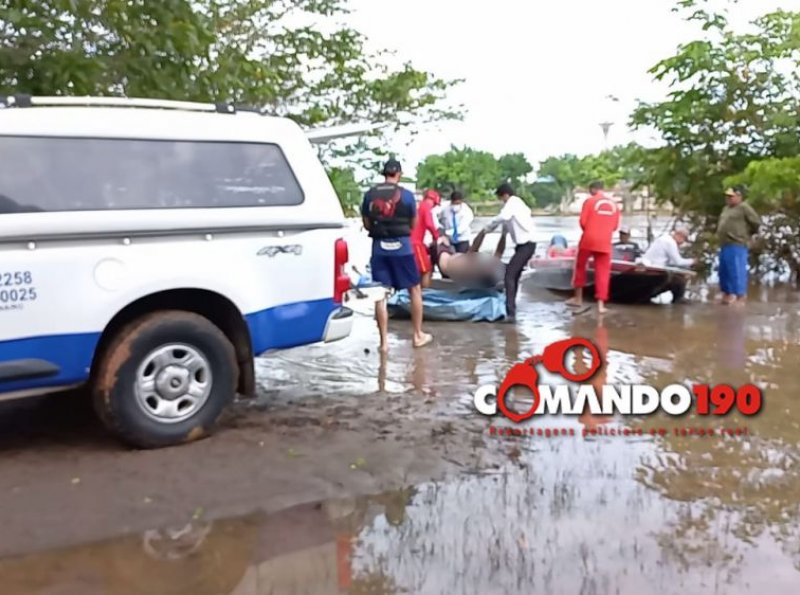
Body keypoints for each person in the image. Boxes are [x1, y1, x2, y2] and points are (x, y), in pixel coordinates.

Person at [361, 159, 432, 352]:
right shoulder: (408, 196)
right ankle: (417, 335)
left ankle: (384, 343)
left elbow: (367, 224)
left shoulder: (369, 195)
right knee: (414, 290)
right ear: (399, 174)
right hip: (402, 249)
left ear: (383, 174)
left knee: (380, 295)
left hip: (379, 250)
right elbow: (413, 224)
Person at [481, 183, 537, 323]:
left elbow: (502, 217)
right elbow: (504, 236)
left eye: (501, 199)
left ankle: (510, 313)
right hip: (523, 246)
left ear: (505, 195)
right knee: (514, 276)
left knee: (509, 276)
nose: (502, 202)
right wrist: (496, 258)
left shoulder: (513, 204)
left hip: (527, 245)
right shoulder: (514, 210)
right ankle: (511, 309)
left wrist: (487, 228)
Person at [566, 181, 621, 315]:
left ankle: (578, 298)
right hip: (605, 241)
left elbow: (583, 222)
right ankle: (601, 305)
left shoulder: (589, 202)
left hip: (589, 239)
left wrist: (591, 230)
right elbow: (615, 227)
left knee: (580, 267)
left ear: (593, 189)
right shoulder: (614, 205)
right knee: (603, 272)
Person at [717, 185, 761, 306]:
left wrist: (748, 234)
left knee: (736, 270)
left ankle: (740, 295)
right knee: (724, 270)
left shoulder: (744, 208)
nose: (728, 199)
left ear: (739, 196)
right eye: (727, 196)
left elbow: (756, 222)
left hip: (737, 243)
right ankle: (727, 293)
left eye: (731, 196)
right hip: (724, 243)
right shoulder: (726, 208)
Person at [436, 229, 507, 289]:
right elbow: (499, 253)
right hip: (451, 258)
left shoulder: (472, 271)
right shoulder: (482, 270)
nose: (490, 266)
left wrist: (484, 231)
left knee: (440, 237)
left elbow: (474, 247)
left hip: (443, 258)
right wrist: (504, 234)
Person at [641, 226, 695, 304]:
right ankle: (678, 300)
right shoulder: (670, 242)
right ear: (679, 235)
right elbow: (678, 262)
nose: (682, 242)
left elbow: (669, 261)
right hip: (655, 270)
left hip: (650, 266)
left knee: (678, 274)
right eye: (684, 239)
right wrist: (692, 261)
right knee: (680, 278)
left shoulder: (663, 238)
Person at [410, 189, 441, 287]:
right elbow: (429, 224)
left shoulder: (417, 206)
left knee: (414, 269)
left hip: (408, 241)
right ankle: (425, 294)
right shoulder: (425, 207)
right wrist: (436, 237)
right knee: (426, 270)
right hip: (415, 243)